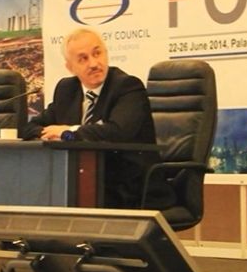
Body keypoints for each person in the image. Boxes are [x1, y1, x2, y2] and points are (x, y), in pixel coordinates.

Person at [22, 27, 174, 210]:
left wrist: (67, 133)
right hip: (83, 183)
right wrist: (50, 134)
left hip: (129, 188)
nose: (94, 63)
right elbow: (31, 128)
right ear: (70, 67)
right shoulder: (67, 90)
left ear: (106, 53)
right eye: (83, 58)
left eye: (97, 53)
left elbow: (116, 132)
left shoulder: (127, 87)